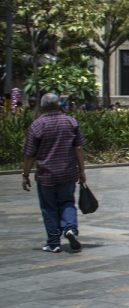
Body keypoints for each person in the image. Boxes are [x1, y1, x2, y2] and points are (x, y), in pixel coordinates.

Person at [21, 93, 87, 252]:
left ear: (42, 106)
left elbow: (30, 154)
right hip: (68, 173)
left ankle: (53, 242)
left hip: (46, 175)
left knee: (49, 208)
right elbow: (78, 148)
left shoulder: (37, 125)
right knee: (67, 202)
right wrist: (82, 170)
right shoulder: (71, 122)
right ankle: (70, 228)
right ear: (59, 105)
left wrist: (25, 175)